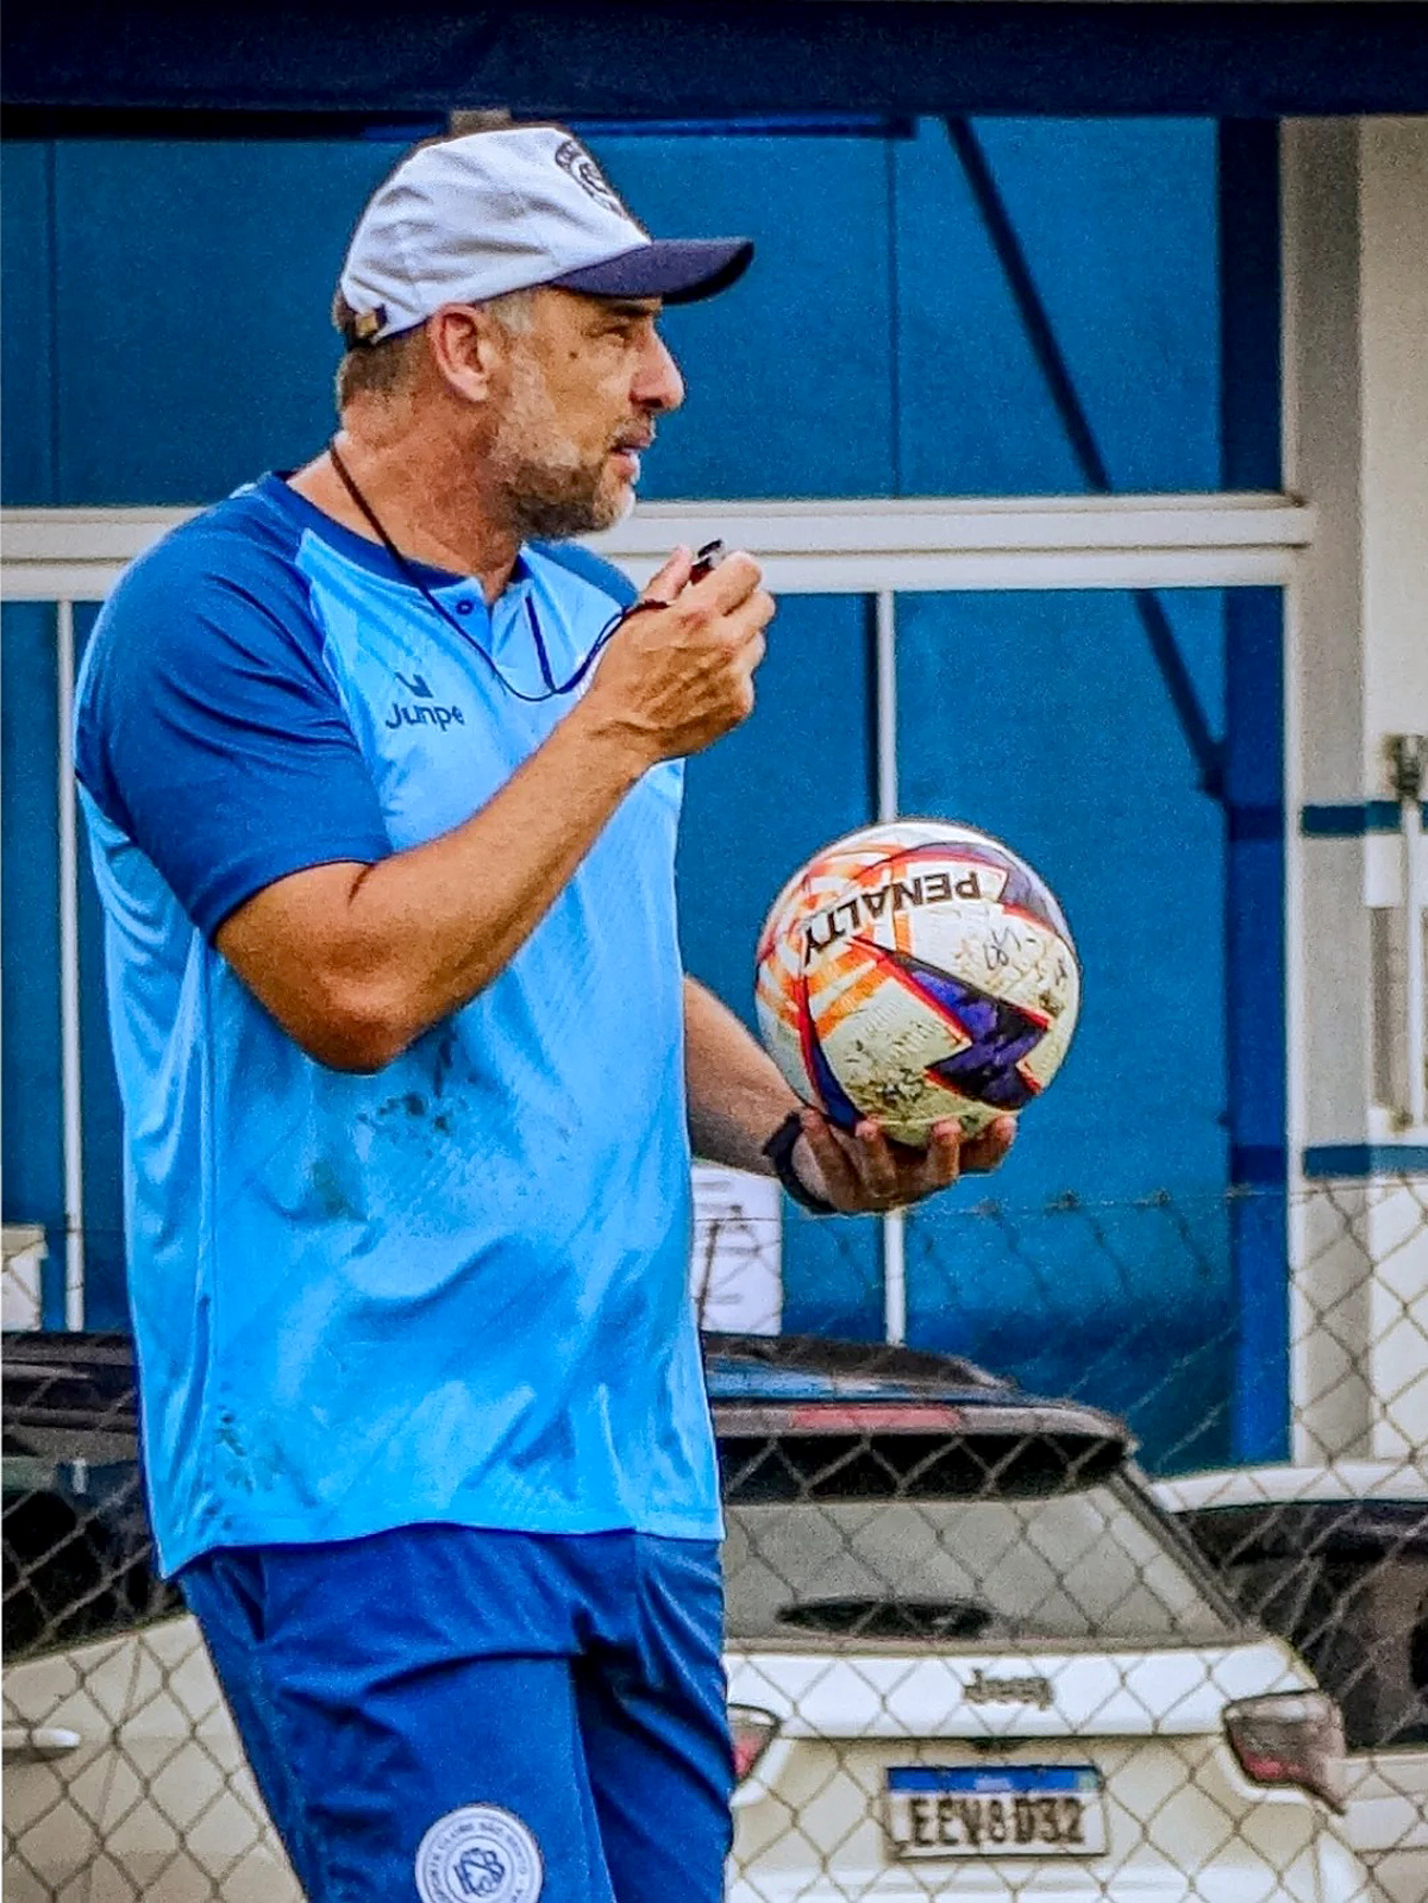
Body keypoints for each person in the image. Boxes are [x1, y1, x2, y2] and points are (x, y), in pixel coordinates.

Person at [74, 125, 1015, 1903]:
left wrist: (809, 1147)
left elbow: (588, 960)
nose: (664, 383)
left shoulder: (592, 617)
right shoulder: (216, 609)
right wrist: (616, 730)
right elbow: (356, 985)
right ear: (467, 343)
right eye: (614, 333)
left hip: (628, 1480)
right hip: (369, 1485)